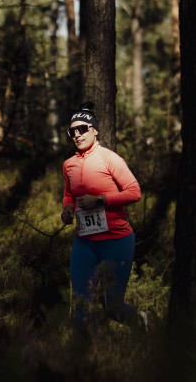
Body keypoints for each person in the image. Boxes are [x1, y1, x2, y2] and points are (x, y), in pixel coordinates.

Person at [60, 103, 146, 330]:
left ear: (95, 130)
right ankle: (85, 360)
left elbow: (134, 192)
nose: (77, 134)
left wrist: (101, 200)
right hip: (84, 243)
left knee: (111, 306)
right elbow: (69, 195)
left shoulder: (110, 159)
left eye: (82, 129)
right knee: (81, 305)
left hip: (116, 241)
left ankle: (140, 322)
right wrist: (67, 210)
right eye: (72, 131)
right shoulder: (68, 165)